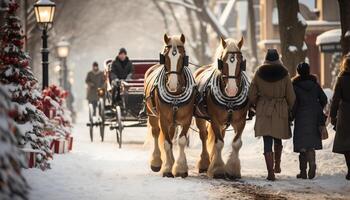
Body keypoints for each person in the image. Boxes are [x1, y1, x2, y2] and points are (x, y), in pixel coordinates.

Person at [248, 49, 295, 181]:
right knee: (277, 137)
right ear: (278, 59)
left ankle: (270, 172)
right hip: (280, 109)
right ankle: (277, 165)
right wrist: (290, 109)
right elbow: (291, 95)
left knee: (267, 139)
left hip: (264, 109)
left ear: (266, 58)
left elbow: (251, 94)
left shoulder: (259, 72)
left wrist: (257, 103)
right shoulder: (285, 73)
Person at [292, 62, 328, 179]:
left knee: (302, 145)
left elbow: (294, 104)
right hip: (315, 116)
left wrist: (291, 116)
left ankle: (303, 172)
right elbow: (324, 99)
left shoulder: (295, 86)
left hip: (301, 116)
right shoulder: (315, 84)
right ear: (309, 71)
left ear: (298, 72)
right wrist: (318, 108)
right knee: (311, 145)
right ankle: (312, 164)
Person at [330, 54, 350, 181]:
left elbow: (336, 99)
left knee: (346, 142)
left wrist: (332, 115)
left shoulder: (341, 79)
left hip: (345, 113)